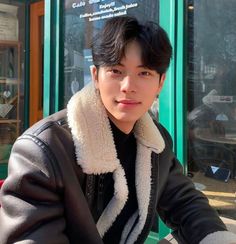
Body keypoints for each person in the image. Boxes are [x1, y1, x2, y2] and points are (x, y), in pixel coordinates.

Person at [0, 16, 236, 244]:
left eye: (144, 73)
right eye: (116, 71)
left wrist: (215, 237)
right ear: (96, 76)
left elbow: (185, 202)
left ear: (160, 82)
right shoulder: (43, 150)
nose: (128, 87)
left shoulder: (155, 140)